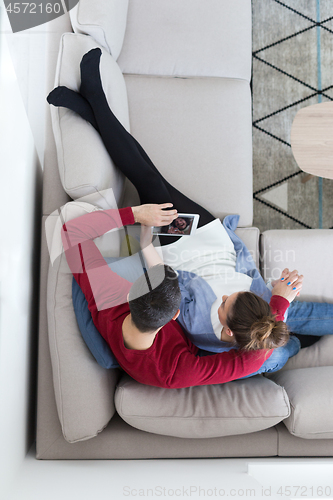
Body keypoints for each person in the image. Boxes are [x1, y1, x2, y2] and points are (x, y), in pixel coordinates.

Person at [49, 48, 330, 382]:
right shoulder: (189, 319)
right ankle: (91, 106)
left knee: (150, 181)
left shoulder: (165, 341)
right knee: (151, 180)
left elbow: (75, 235)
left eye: (226, 302)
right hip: (208, 242)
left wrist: (136, 220)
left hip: (178, 248)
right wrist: (279, 306)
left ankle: (93, 105)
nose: (226, 295)